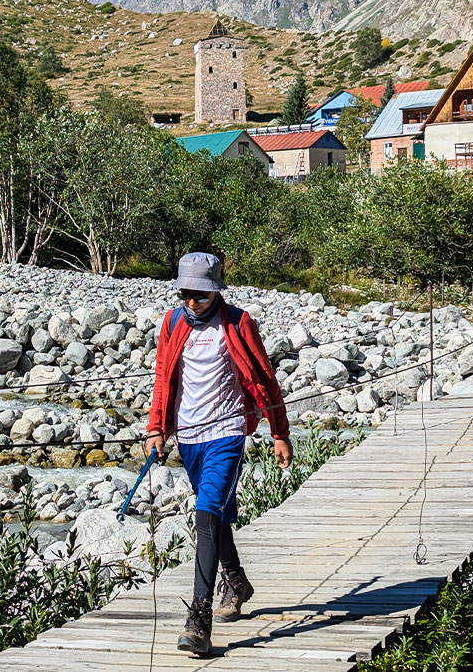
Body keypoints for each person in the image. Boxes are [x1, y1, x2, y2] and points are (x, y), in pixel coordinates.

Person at [145, 252, 293, 656]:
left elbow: (264, 380)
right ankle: (237, 579)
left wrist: (280, 432)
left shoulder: (238, 323)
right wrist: (157, 427)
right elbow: (163, 376)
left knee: (207, 512)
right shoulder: (173, 323)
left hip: (227, 433)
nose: (192, 301)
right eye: (186, 293)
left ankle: (199, 619)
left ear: (216, 292)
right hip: (190, 436)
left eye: (201, 294)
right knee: (217, 516)